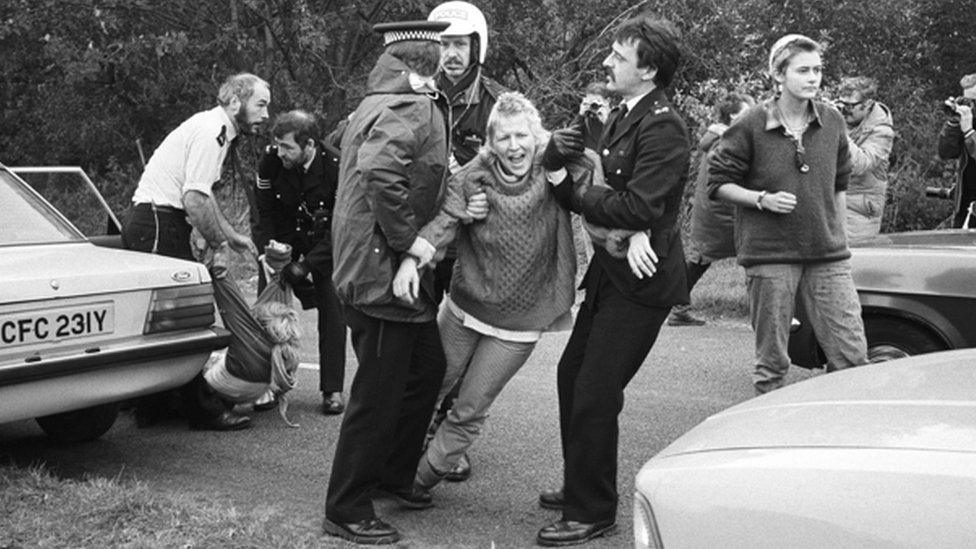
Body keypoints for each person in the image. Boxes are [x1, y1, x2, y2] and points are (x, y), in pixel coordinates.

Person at [536, 16, 691, 547]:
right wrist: (559, 164)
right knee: (570, 376)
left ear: (647, 69)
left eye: (619, 56)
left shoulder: (664, 125)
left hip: (643, 283)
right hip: (609, 269)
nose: (607, 62)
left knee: (596, 392)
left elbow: (640, 203)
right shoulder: (621, 113)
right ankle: (582, 482)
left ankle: (593, 510)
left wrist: (594, 205)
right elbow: (592, 179)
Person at [403, 92, 588, 499]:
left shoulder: (553, 164)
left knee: (469, 408)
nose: (514, 147)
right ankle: (390, 467)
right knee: (426, 387)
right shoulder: (474, 174)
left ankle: (417, 483)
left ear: (537, 136)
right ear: (490, 141)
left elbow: (602, 174)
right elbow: (445, 220)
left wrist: (637, 230)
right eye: (503, 138)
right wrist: (414, 260)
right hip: (466, 304)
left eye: (522, 136)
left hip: (521, 319)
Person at [322, 20, 452, 546]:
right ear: (428, 62)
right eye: (443, 52)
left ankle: (395, 473)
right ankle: (347, 506)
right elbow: (379, 171)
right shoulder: (408, 105)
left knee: (427, 367)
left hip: (380, 270)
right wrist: (411, 244)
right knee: (376, 393)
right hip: (382, 275)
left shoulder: (379, 100)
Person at [708, 34, 868, 394]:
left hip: (827, 255)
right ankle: (770, 440)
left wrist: (839, 237)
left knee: (852, 357)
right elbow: (717, 183)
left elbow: (840, 184)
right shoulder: (750, 123)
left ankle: (843, 436)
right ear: (779, 75)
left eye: (818, 70)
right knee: (773, 364)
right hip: (770, 254)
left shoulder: (833, 121)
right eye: (804, 70)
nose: (814, 78)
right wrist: (761, 199)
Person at [121, 72, 269, 431]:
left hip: (157, 221)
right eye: (261, 104)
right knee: (188, 318)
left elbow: (202, 194)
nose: (266, 114)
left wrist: (230, 234)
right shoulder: (212, 133)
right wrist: (218, 243)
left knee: (166, 322)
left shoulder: (215, 128)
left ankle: (155, 406)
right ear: (235, 102)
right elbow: (194, 198)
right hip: (158, 221)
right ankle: (203, 411)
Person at [424, 0, 508, 482]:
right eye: (443, 43)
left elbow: (517, 171)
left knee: (465, 347)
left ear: (477, 46)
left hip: (474, 248)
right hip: (423, 242)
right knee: (418, 342)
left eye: (459, 44)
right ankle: (409, 425)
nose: (451, 54)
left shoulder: (497, 104)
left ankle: (446, 433)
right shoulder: (415, 95)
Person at [251, 110, 347, 416]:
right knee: (267, 311)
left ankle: (332, 388)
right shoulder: (271, 162)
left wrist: (306, 267)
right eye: (277, 145)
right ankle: (267, 382)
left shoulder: (336, 165)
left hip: (323, 244)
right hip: (282, 240)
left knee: (332, 306)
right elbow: (263, 211)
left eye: (287, 147)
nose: (280, 152)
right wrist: (269, 252)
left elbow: (341, 227)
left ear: (309, 144)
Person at [668, 93, 755, 327]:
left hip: (717, 210)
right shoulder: (727, 138)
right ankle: (762, 312)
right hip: (724, 210)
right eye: (746, 113)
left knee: (702, 259)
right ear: (733, 116)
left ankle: (677, 308)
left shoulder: (717, 135)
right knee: (754, 256)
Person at [835, 76, 894, 242]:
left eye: (850, 106)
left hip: (860, 212)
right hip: (832, 204)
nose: (843, 110)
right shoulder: (845, 120)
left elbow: (860, 164)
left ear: (867, 104)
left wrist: (838, 128)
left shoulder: (883, 131)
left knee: (855, 263)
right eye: (841, 104)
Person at [937, 72, 976, 228]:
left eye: (973, 101)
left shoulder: (969, 127)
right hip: (966, 200)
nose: (970, 106)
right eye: (967, 100)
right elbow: (945, 152)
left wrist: (969, 133)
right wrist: (953, 123)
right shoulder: (968, 120)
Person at [573, 81, 613, 152]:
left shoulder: (617, 116)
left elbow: (619, 143)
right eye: (591, 101)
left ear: (607, 101)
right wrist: (580, 114)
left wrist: (606, 121)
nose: (593, 105)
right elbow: (570, 136)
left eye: (597, 101)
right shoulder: (585, 119)